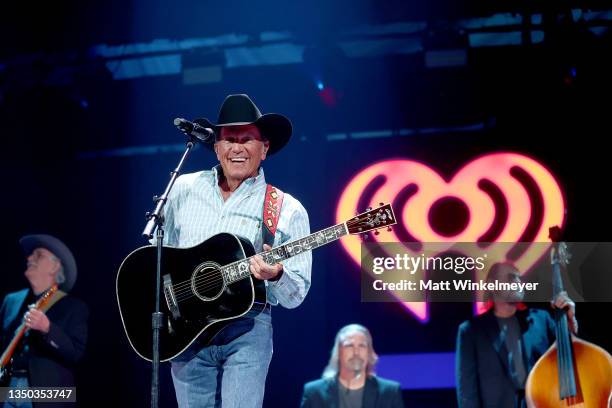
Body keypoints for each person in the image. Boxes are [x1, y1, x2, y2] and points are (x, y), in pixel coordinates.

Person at [163, 94, 312, 407]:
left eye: (248, 139)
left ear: (265, 148)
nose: (237, 148)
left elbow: (296, 294)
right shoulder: (182, 189)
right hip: (186, 328)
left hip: (247, 329)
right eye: (229, 139)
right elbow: (157, 254)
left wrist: (278, 274)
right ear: (216, 148)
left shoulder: (286, 209)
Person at [455, 262, 578, 408]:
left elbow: (575, 356)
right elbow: (467, 394)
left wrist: (569, 322)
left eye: (520, 278)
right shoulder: (470, 331)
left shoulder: (541, 320)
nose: (519, 282)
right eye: (511, 277)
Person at [0, 234, 88, 408]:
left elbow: (75, 354)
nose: (29, 258)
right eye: (30, 255)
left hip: (50, 395)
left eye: (38, 255)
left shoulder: (74, 307)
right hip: (8, 388)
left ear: (55, 266)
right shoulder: (11, 301)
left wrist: (48, 329)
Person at [301, 324, 405, 408]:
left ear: (369, 352)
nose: (356, 352)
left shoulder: (390, 392)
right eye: (349, 345)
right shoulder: (314, 393)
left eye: (362, 346)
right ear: (338, 352)